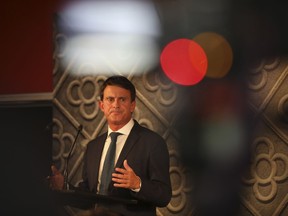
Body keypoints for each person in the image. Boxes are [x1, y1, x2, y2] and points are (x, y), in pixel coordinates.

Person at [50, 75, 172, 216]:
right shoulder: (93, 147)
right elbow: (88, 197)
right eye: (110, 99)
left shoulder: (152, 142)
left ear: (132, 105)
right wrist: (64, 187)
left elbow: (164, 196)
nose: (116, 105)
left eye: (122, 99)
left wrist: (138, 184)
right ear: (102, 105)